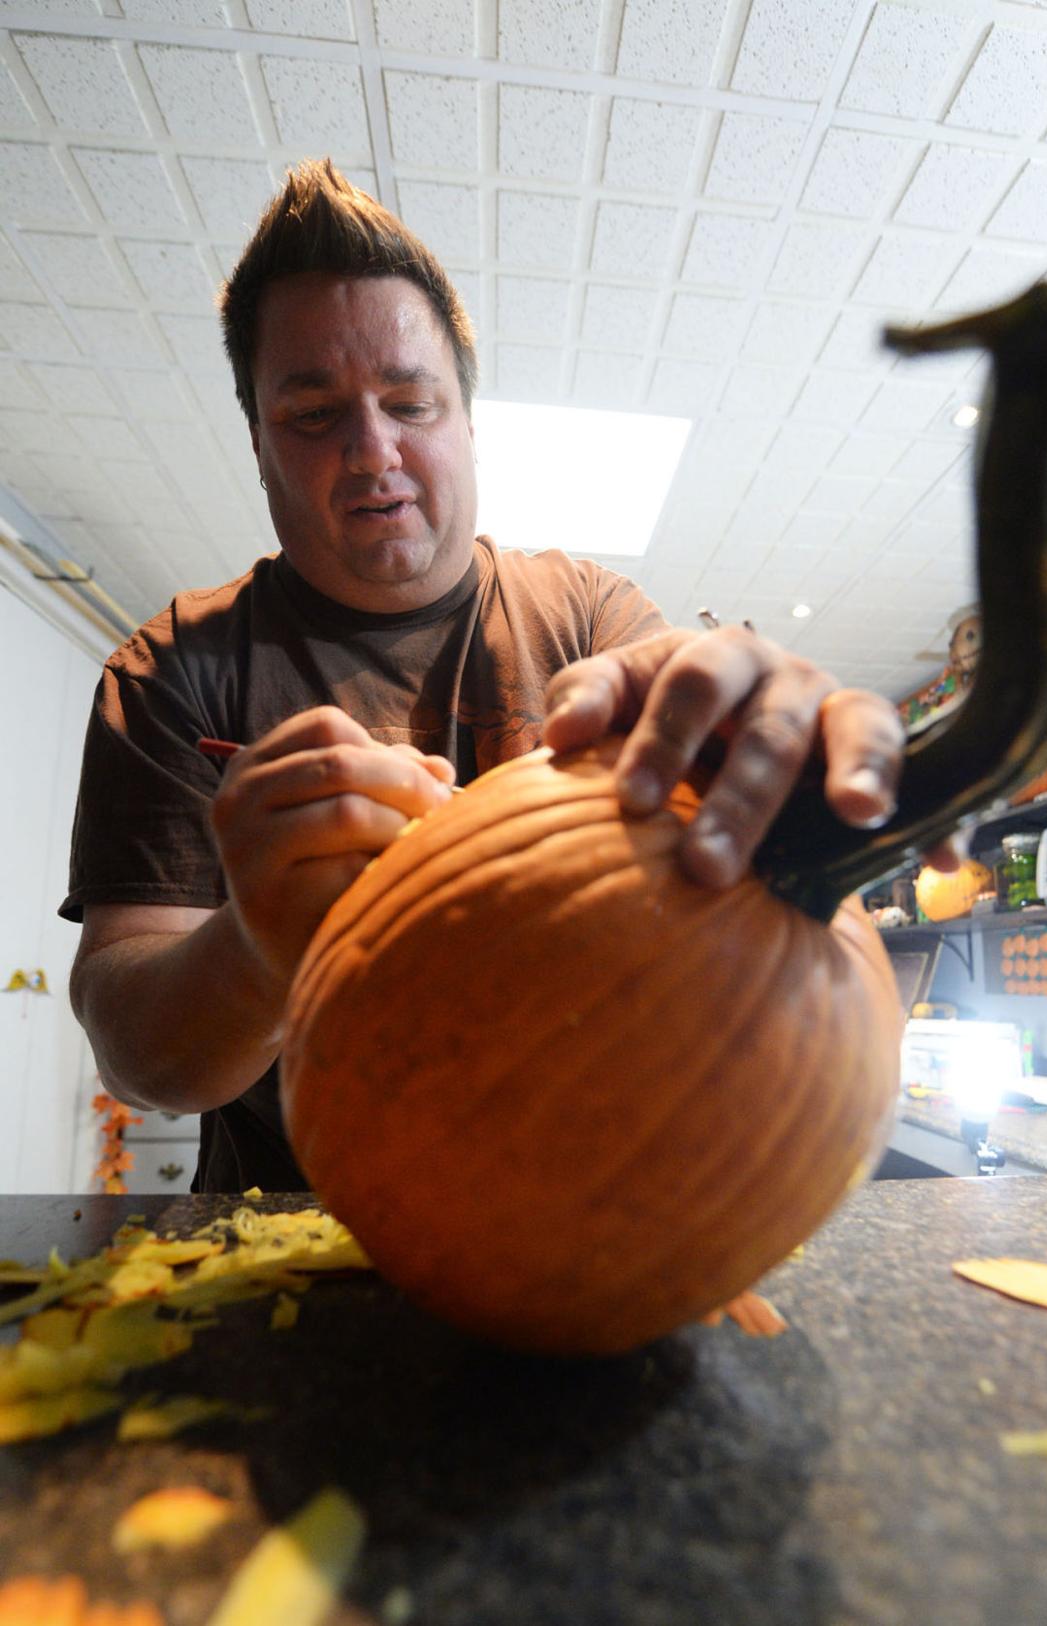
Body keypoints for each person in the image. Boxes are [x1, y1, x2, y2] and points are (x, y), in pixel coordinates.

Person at [62, 159, 912, 1193]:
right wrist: (257, 943)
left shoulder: (591, 616)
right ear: (258, 443)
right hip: (287, 1237)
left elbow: (696, 823)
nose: (373, 451)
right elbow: (137, 1057)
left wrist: (766, 753)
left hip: (587, 1214)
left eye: (410, 403)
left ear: (467, 419)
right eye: (315, 415)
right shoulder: (172, 671)